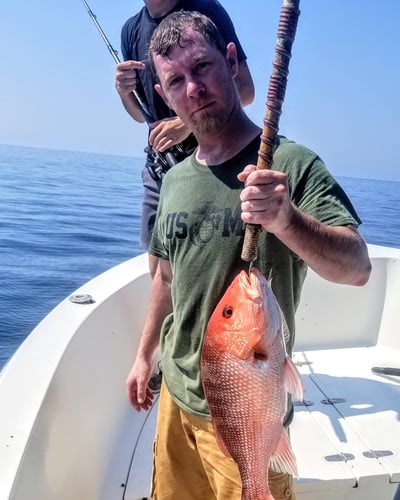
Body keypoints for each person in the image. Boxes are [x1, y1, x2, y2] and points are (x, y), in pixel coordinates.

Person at [125, 11, 372, 500]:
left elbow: (358, 267)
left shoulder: (290, 163)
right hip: (177, 400)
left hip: (250, 412)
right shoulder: (174, 181)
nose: (193, 88)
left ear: (232, 61)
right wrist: (143, 354)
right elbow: (167, 279)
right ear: (163, 95)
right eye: (176, 80)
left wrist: (287, 219)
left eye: (202, 67)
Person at [115, 0, 254, 277]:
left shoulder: (206, 10)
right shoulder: (130, 30)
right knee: (159, 267)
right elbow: (140, 116)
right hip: (160, 168)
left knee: (224, 264)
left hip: (216, 162)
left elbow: (246, 89)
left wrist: (184, 124)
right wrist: (123, 91)